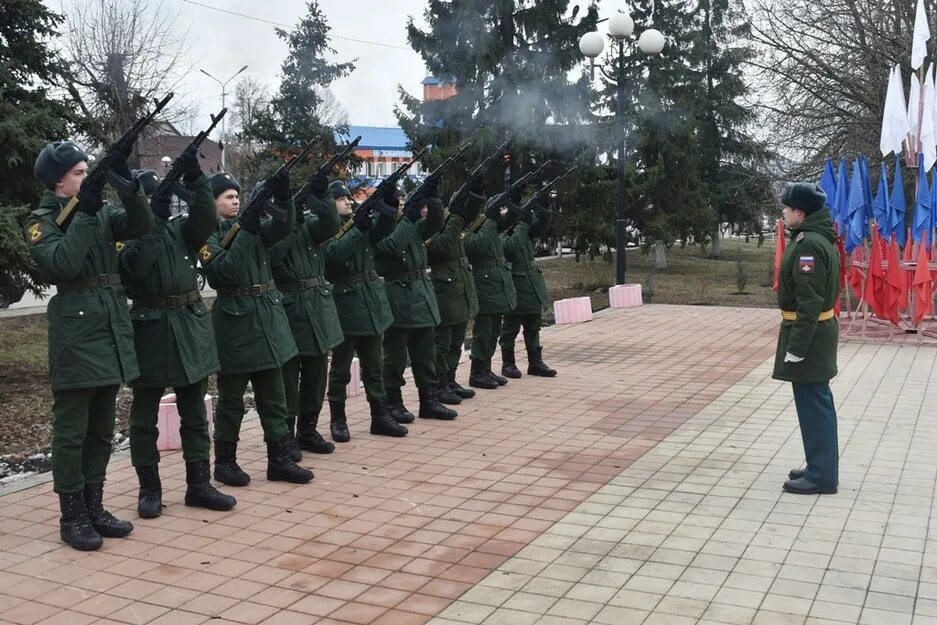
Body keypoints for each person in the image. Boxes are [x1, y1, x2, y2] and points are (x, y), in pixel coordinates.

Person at [25, 141, 152, 550]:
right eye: (79, 173)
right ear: (58, 181)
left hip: (110, 325)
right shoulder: (40, 220)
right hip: (77, 333)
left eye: (87, 171)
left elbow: (141, 226)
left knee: (101, 428)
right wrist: (85, 211)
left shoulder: (96, 211)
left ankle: (95, 506)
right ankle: (73, 514)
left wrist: (128, 185)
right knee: (72, 430)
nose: (84, 178)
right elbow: (62, 264)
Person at [119, 150, 236, 519]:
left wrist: (197, 181)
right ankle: (149, 489)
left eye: (161, 196)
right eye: (153, 197)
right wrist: (151, 222)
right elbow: (134, 270)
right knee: (143, 418)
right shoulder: (126, 232)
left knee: (195, 412)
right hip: (150, 328)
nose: (160, 202)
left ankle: (199, 484)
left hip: (188, 323)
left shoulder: (181, 229)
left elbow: (204, 219)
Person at [201, 171, 313, 486]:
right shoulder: (206, 235)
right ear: (213, 203)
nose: (234, 200)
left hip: (267, 318)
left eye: (238, 196)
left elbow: (284, 225)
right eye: (227, 196)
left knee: (274, 394)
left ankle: (279, 459)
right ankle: (225, 462)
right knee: (232, 399)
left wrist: (282, 197)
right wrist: (247, 230)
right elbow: (226, 272)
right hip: (235, 324)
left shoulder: (254, 228)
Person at [324, 181, 407, 440]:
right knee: (341, 368)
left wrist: (389, 204)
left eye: (349, 197)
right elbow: (335, 254)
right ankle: (338, 419)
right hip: (347, 305)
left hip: (371, 302)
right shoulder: (324, 228)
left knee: (374, 365)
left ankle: (379, 416)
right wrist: (358, 227)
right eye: (341, 199)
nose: (348, 201)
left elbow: (382, 231)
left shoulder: (359, 221)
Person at [773, 182, 841, 495]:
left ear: (799, 211)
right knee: (815, 401)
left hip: (809, 337)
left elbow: (809, 302)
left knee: (814, 403)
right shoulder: (812, 238)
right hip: (816, 333)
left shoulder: (807, 245)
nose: (784, 214)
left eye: (787, 209)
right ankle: (819, 465)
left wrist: (796, 348)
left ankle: (822, 475)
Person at [270, 174, 343, 456]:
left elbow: (330, 225)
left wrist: (323, 196)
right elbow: (274, 254)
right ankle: (286, 435)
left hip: (316, 307)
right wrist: (290, 222)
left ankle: (308, 429)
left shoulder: (308, 226)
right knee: (288, 378)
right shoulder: (269, 229)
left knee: (316, 374)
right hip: (289, 307)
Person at [376, 182, 457, 422]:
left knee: (425, 354)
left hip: (421, 295)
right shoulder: (378, 228)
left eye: (403, 200)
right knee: (395, 356)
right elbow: (390, 247)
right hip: (398, 296)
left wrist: (433, 200)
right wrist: (409, 220)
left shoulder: (408, 225)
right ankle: (393, 402)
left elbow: (435, 224)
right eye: (396, 200)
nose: (400, 203)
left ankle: (428, 400)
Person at [426, 179, 487, 404]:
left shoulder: (450, 222)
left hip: (459, 288)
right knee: (442, 342)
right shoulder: (431, 226)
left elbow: (468, 219)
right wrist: (455, 218)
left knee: (456, 340)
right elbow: (441, 247)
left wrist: (476, 196)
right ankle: (439, 384)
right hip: (444, 290)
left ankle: (450, 380)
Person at [464, 191, 521, 389]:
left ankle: (486, 369)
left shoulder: (488, 224)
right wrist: (490, 219)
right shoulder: (469, 227)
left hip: (497, 282)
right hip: (484, 282)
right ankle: (477, 372)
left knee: (494, 329)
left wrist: (514, 202)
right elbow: (476, 246)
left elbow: (511, 219)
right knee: (483, 331)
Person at [499, 192, 557, 378]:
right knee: (510, 327)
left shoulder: (522, 228)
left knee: (533, 325)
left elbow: (539, 228)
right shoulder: (502, 229)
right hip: (514, 284)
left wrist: (544, 209)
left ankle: (535, 362)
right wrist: (522, 223)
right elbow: (510, 247)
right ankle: (508, 363)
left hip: (531, 283)